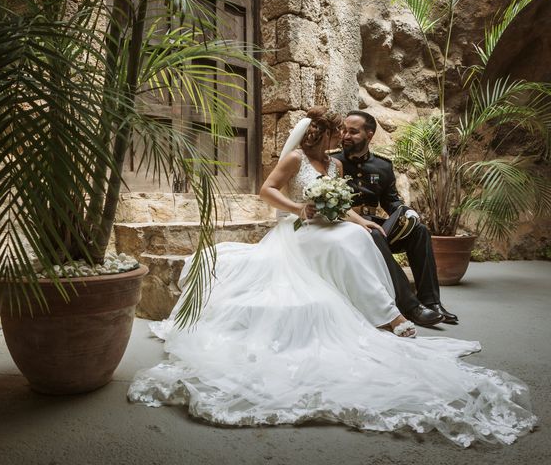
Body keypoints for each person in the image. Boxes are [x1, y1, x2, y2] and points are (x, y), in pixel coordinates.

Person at [128, 108, 536, 447]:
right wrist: (297, 208)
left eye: (342, 131)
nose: (339, 136)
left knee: (357, 239)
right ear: (317, 134)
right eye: (334, 131)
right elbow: (266, 191)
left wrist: (365, 222)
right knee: (344, 245)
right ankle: (390, 317)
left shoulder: (335, 163)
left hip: (331, 226)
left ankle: (388, 311)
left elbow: (340, 204)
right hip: (301, 230)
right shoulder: (296, 161)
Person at [330, 110, 457, 326]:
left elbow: (390, 201)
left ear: (369, 135)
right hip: (347, 225)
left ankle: (432, 301)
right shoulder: (332, 160)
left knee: (420, 232)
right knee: (374, 233)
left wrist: (406, 211)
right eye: (344, 131)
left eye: (353, 131)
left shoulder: (383, 165)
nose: (345, 136)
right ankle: (410, 307)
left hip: (374, 223)